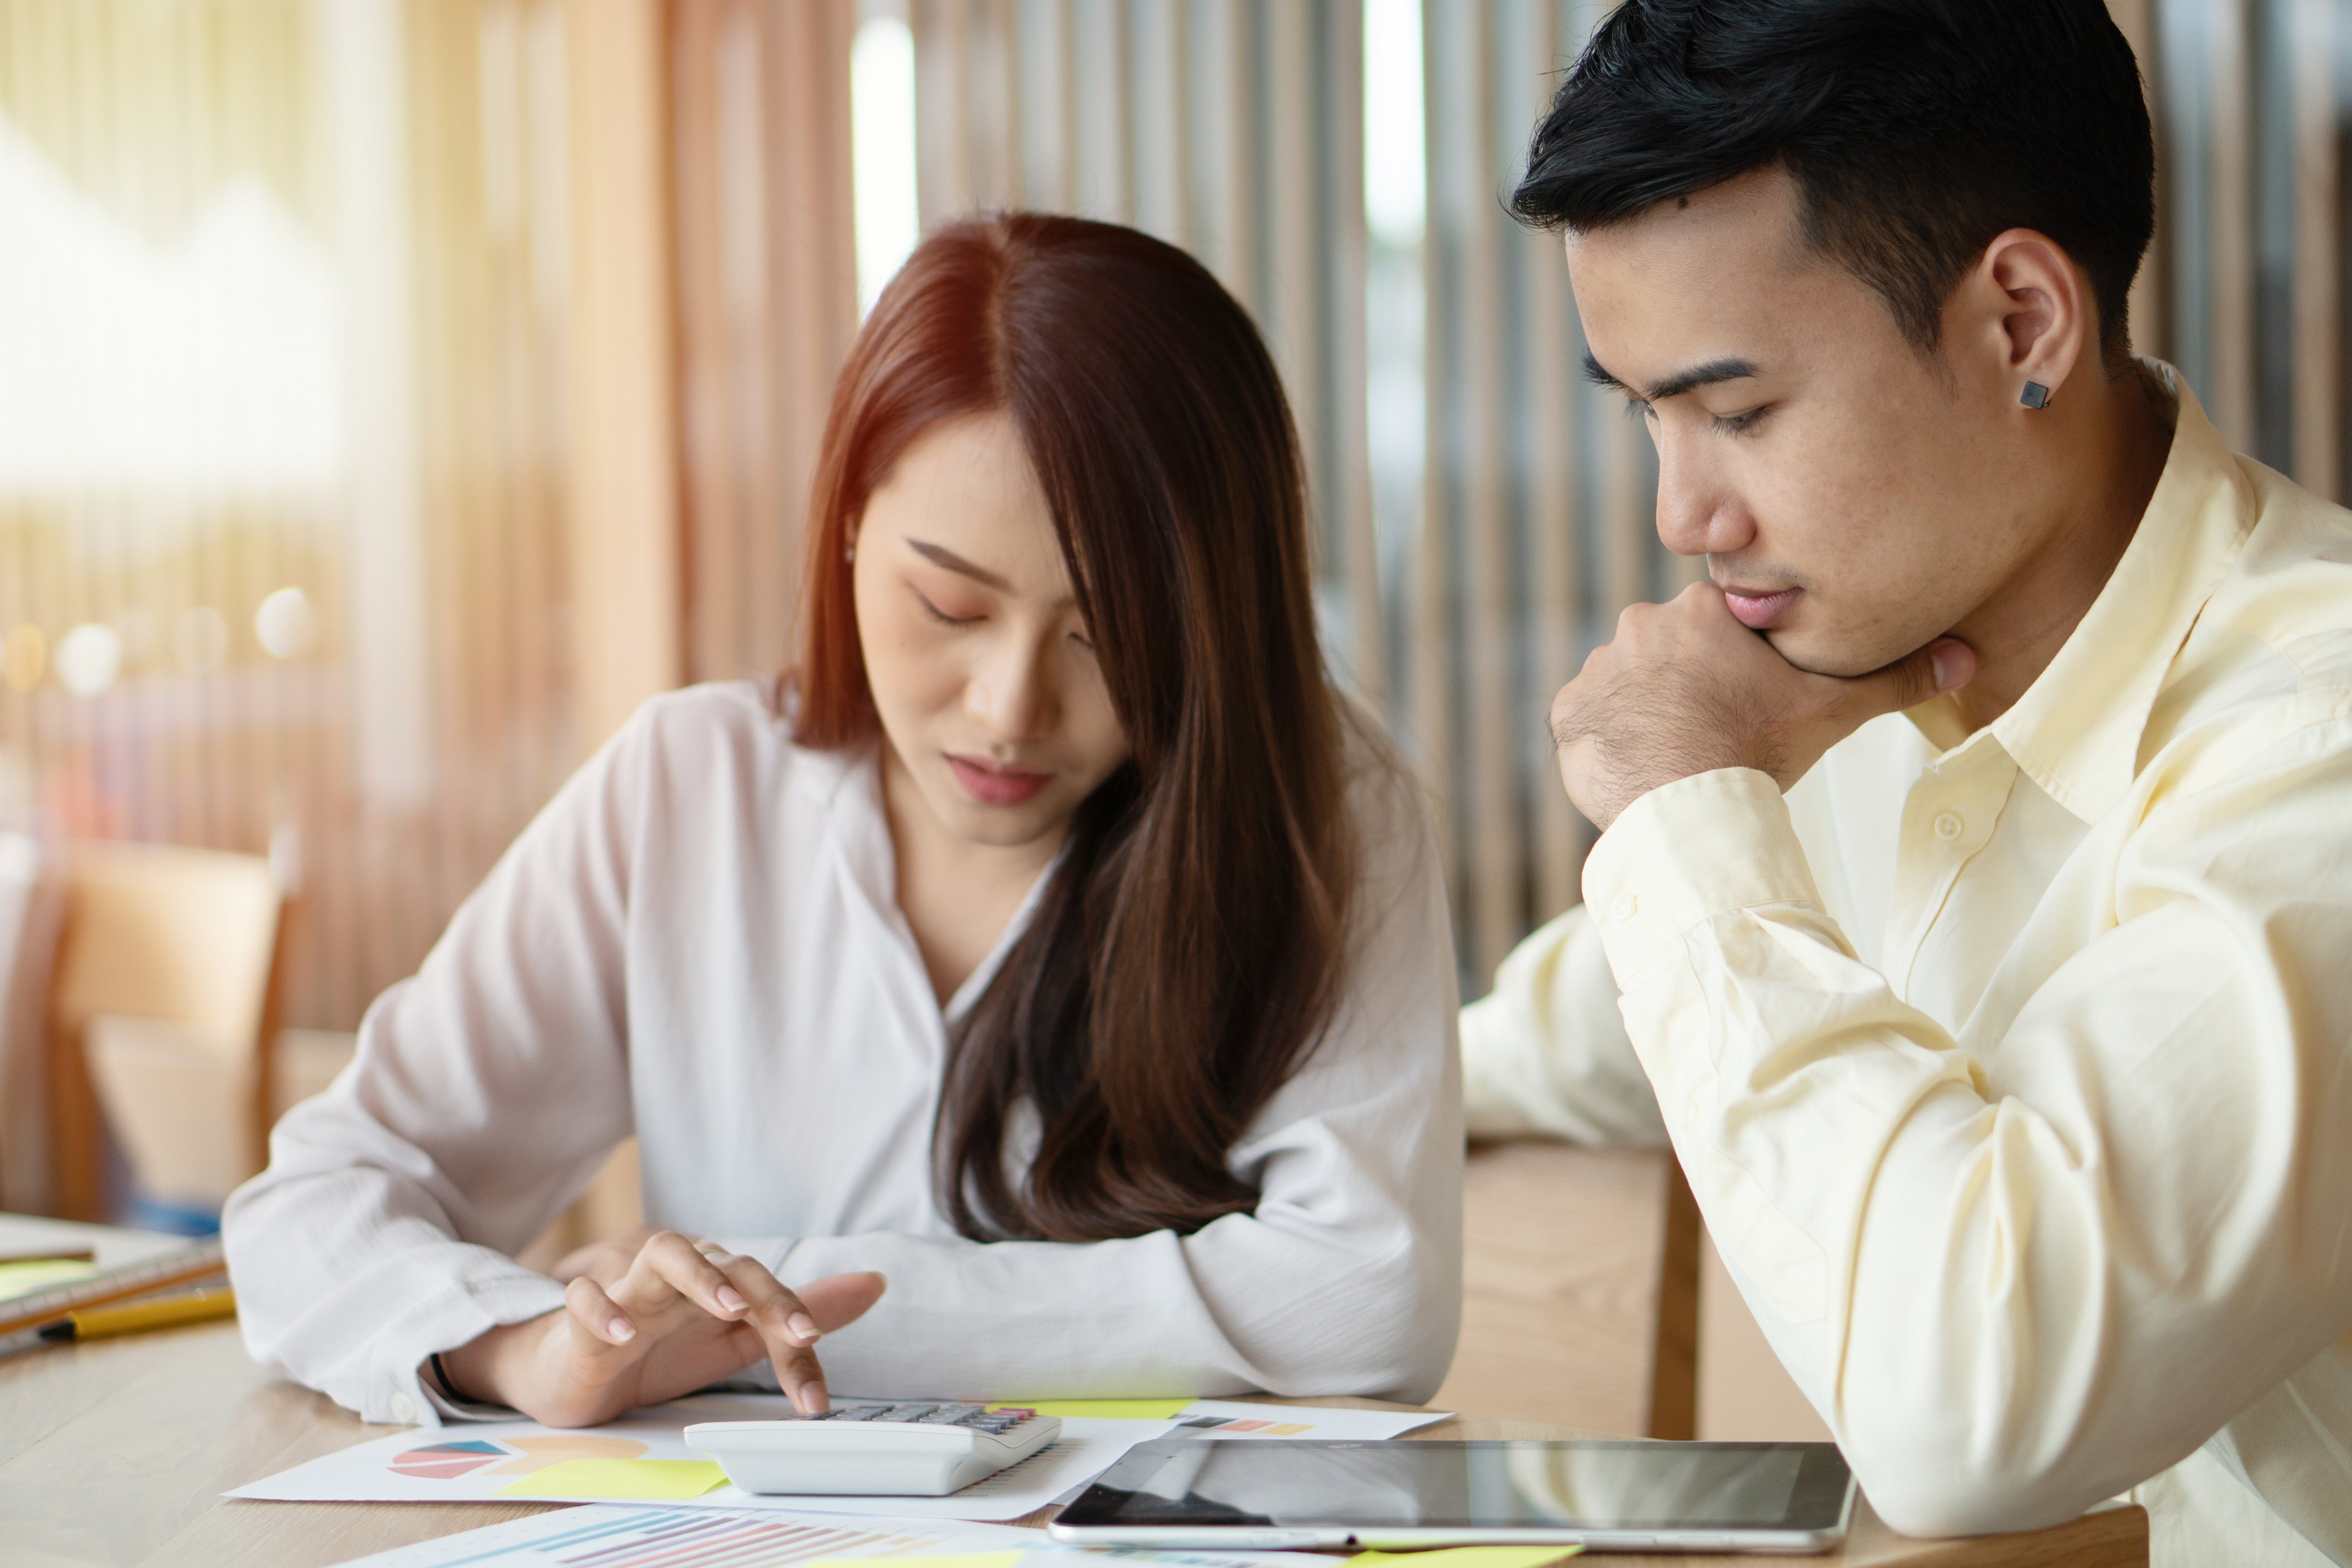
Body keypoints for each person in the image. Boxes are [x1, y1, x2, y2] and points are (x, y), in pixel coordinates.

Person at [225, 213, 1461, 1431]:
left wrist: (799, 1302)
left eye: (1108, 635)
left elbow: (1369, 1296)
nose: (1009, 707)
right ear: (852, 522)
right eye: (948, 604)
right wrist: (526, 1347)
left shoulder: (1328, 809)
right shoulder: (688, 787)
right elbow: (312, 1206)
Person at [1461, 2, 2352, 1564]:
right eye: (1649, 414)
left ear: (2022, 322)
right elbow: (1565, 1035)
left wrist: (1681, 798)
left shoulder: (2315, 734)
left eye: (1738, 412)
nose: (1683, 515)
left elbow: (1966, 1415)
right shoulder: (1869, 678)